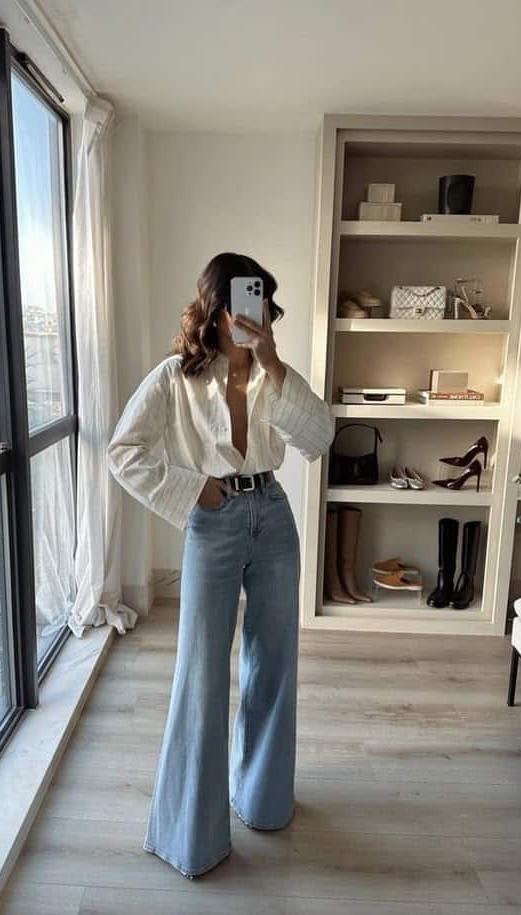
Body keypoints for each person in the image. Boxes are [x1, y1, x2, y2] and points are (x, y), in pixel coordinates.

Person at [107, 251, 334, 879]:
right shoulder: (175, 377)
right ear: (218, 305)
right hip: (212, 521)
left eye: (263, 300)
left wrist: (275, 365)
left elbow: (321, 437)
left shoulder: (272, 374)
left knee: (275, 662)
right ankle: (191, 835)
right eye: (243, 300)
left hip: (275, 518)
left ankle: (262, 800)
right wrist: (191, 488)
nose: (255, 312)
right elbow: (123, 451)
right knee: (202, 671)